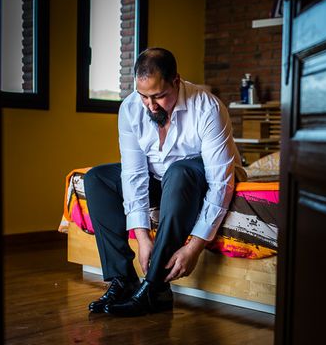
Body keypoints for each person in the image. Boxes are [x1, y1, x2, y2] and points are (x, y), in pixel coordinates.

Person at [84, 47, 245, 317]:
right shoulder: (131, 108)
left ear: (176, 81)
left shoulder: (208, 107)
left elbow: (220, 183)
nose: (151, 105)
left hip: (196, 179)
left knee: (179, 171)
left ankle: (155, 288)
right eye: (144, 96)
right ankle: (123, 281)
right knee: (97, 178)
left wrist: (195, 246)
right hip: (160, 179)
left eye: (159, 96)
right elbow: (134, 173)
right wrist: (142, 236)